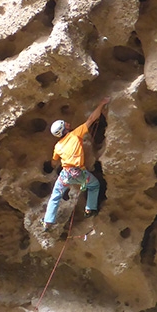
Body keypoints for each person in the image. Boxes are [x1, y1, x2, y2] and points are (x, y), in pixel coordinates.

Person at [43, 97, 110, 231]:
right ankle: (89, 209)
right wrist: (101, 104)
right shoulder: (75, 135)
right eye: (65, 124)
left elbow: (54, 161)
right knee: (94, 184)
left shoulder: (58, 146)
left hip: (65, 174)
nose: (68, 123)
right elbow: (91, 120)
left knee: (55, 195)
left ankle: (48, 222)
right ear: (64, 129)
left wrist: (50, 167)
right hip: (78, 173)